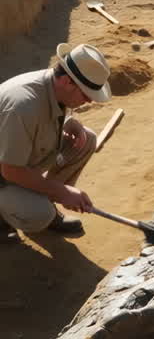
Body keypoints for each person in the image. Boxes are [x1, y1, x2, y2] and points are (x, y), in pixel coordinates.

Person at [0, 43, 112, 239]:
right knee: (39, 214)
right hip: (5, 172)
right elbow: (10, 170)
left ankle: (41, 200)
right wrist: (62, 192)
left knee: (87, 139)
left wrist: (69, 122)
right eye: (86, 95)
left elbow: (42, 118)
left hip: (14, 160)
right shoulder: (23, 106)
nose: (90, 101)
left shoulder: (53, 85)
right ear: (68, 81)